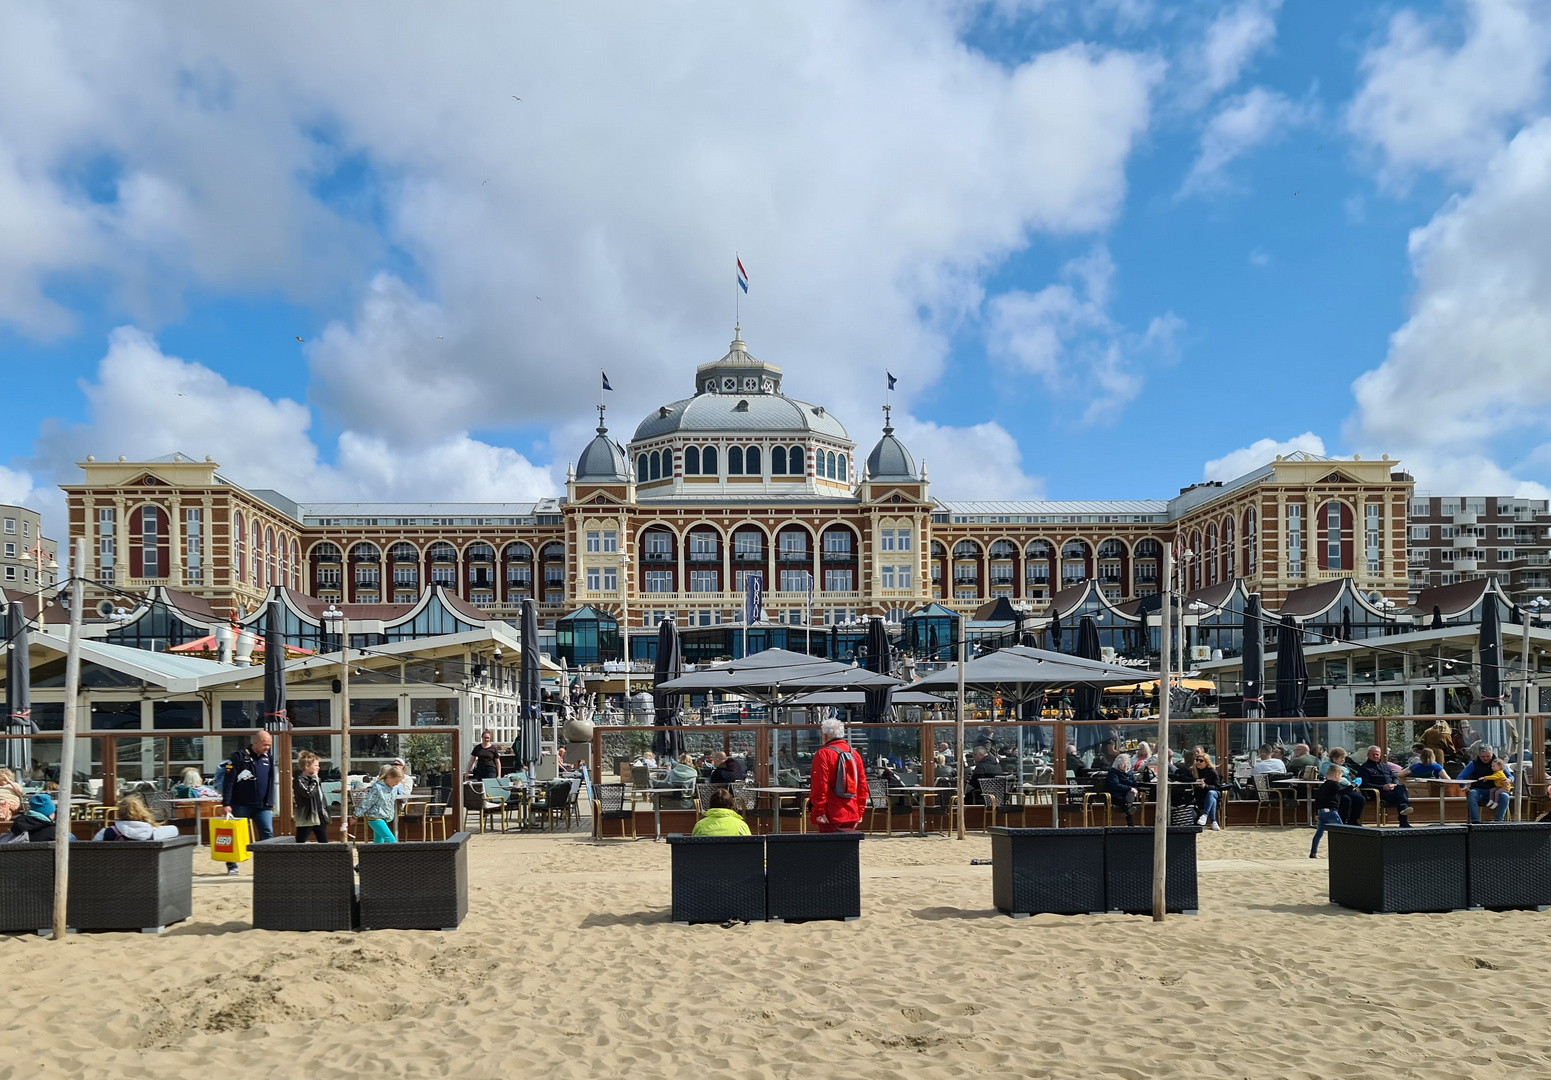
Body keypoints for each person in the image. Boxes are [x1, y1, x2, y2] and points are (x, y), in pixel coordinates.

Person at [221, 730, 278, 875]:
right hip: (240, 804)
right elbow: (228, 782)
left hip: (262, 806)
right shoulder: (239, 757)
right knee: (235, 835)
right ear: (256, 742)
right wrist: (226, 804)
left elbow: (271, 781)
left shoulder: (268, 759)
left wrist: (270, 801)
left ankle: (269, 867)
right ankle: (232, 867)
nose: (267, 748)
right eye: (265, 745)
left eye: (269, 745)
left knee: (268, 834)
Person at [808, 718, 869, 833]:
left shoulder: (823, 754)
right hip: (852, 810)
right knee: (848, 849)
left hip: (830, 813)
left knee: (830, 849)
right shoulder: (854, 754)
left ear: (825, 736)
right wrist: (860, 811)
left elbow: (820, 785)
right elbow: (862, 785)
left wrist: (819, 811)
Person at [1355, 745, 1413, 826]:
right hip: (1377, 792)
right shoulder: (1364, 768)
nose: (1375, 756)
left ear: (1380, 755)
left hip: (1392, 790)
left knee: (1401, 787)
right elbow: (1364, 784)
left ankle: (1403, 811)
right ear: (1368, 755)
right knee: (1401, 796)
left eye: (1377, 754)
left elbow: (1394, 777)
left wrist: (1394, 784)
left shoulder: (1385, 766)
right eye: (1373, 754)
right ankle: (1403, 818)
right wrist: (1383, 787)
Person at [1454, 744, 1511, 823]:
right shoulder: (1474, 763)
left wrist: (1509, 780)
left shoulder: (1498, 762)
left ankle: (1499, 821)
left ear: (1492, 753)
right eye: (1483, 756)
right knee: (1472, 793)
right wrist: (1464, 786)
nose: (1485, 758)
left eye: (1488, 756)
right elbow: (1460, 777)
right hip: (1479, 790)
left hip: (1496, 790)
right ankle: (1475, 821)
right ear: (1478, 755)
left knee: (1505, 796)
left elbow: (1510, 776)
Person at [93, 793, 179, 841]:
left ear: (119, 814)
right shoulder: (154, 832)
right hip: (147, 871)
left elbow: (93, 850)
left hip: (111, 872)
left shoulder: (105, 833)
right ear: (143, 812)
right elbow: (174, 830)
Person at [1309, 762, 1347, 858]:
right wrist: (1354, 786)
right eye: (1340, 776)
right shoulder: (1334, 784)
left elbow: (1317, 800)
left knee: (1319, 833)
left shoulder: (1323, 786)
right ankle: (1343, 853)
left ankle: (1313, 852)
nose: (1340, 779)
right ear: (1336, 775)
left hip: (1321, 812)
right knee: (1342, 831)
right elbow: (1343, 792)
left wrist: (1316, 812)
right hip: (1331, 812)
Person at [292, 750, 331, 843]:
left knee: (324, 842)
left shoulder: (316, 780)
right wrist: (314, 779)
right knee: (300, 841)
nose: (318, 768)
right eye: (316, 765)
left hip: (319, 815)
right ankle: (296, 857)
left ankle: (326, 857)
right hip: (306, 817)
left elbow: (320, 796)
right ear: (307, 766)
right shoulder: (299, 779)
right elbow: (309, 793)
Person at [359, 764, 404, 843]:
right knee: (391, 839)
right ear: (389, 777)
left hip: (382, 817)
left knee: (378, 842)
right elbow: (367, 802)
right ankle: (397, 855)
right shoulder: (378, 787)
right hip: (375, 818)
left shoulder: (391, 788)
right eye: (396, 781)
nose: (397, 784)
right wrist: (356, 814)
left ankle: (376, 855)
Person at [1178, 749, 1222, 830]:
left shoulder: (1212, 771)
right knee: (1212, 800)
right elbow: (1182, 778)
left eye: (1201, 761)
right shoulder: (1193, 770)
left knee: (1211, 793)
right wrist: (1195, 781)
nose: (1198, 762)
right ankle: (1213, 821)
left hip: (1214, 793)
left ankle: (1205, 815)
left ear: (1206, 762)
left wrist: (1205, 786)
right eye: (1197, 760)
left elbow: (1218, 787)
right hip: (1201, 795)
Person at [1326, 748, 1366, 825]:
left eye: (1344, 758)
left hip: (1347, 788)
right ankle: (1342, 821)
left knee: (1360, 799)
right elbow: (1331, 776)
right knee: (1346, 800)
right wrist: (1347, 782)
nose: (1343, 760)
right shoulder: (1327, 766)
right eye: (1342, 758)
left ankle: (1353, 821)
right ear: (1334, 758)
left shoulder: (1345, 767)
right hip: (1335, 789)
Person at [1106, 753, 1142, 826]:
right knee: (1126, 800)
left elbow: (1135, 785)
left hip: (1129, 795)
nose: (1125, 766)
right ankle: (1129, 812)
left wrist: (1135, 789)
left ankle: (1129, 815)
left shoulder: (1130, 773)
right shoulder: (1113, 772)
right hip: (1117, 795)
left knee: (1129, 795)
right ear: (1118, 764)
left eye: (1127, 764)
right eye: (1123, 764)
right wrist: (1130, 788)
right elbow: (1115, 785)